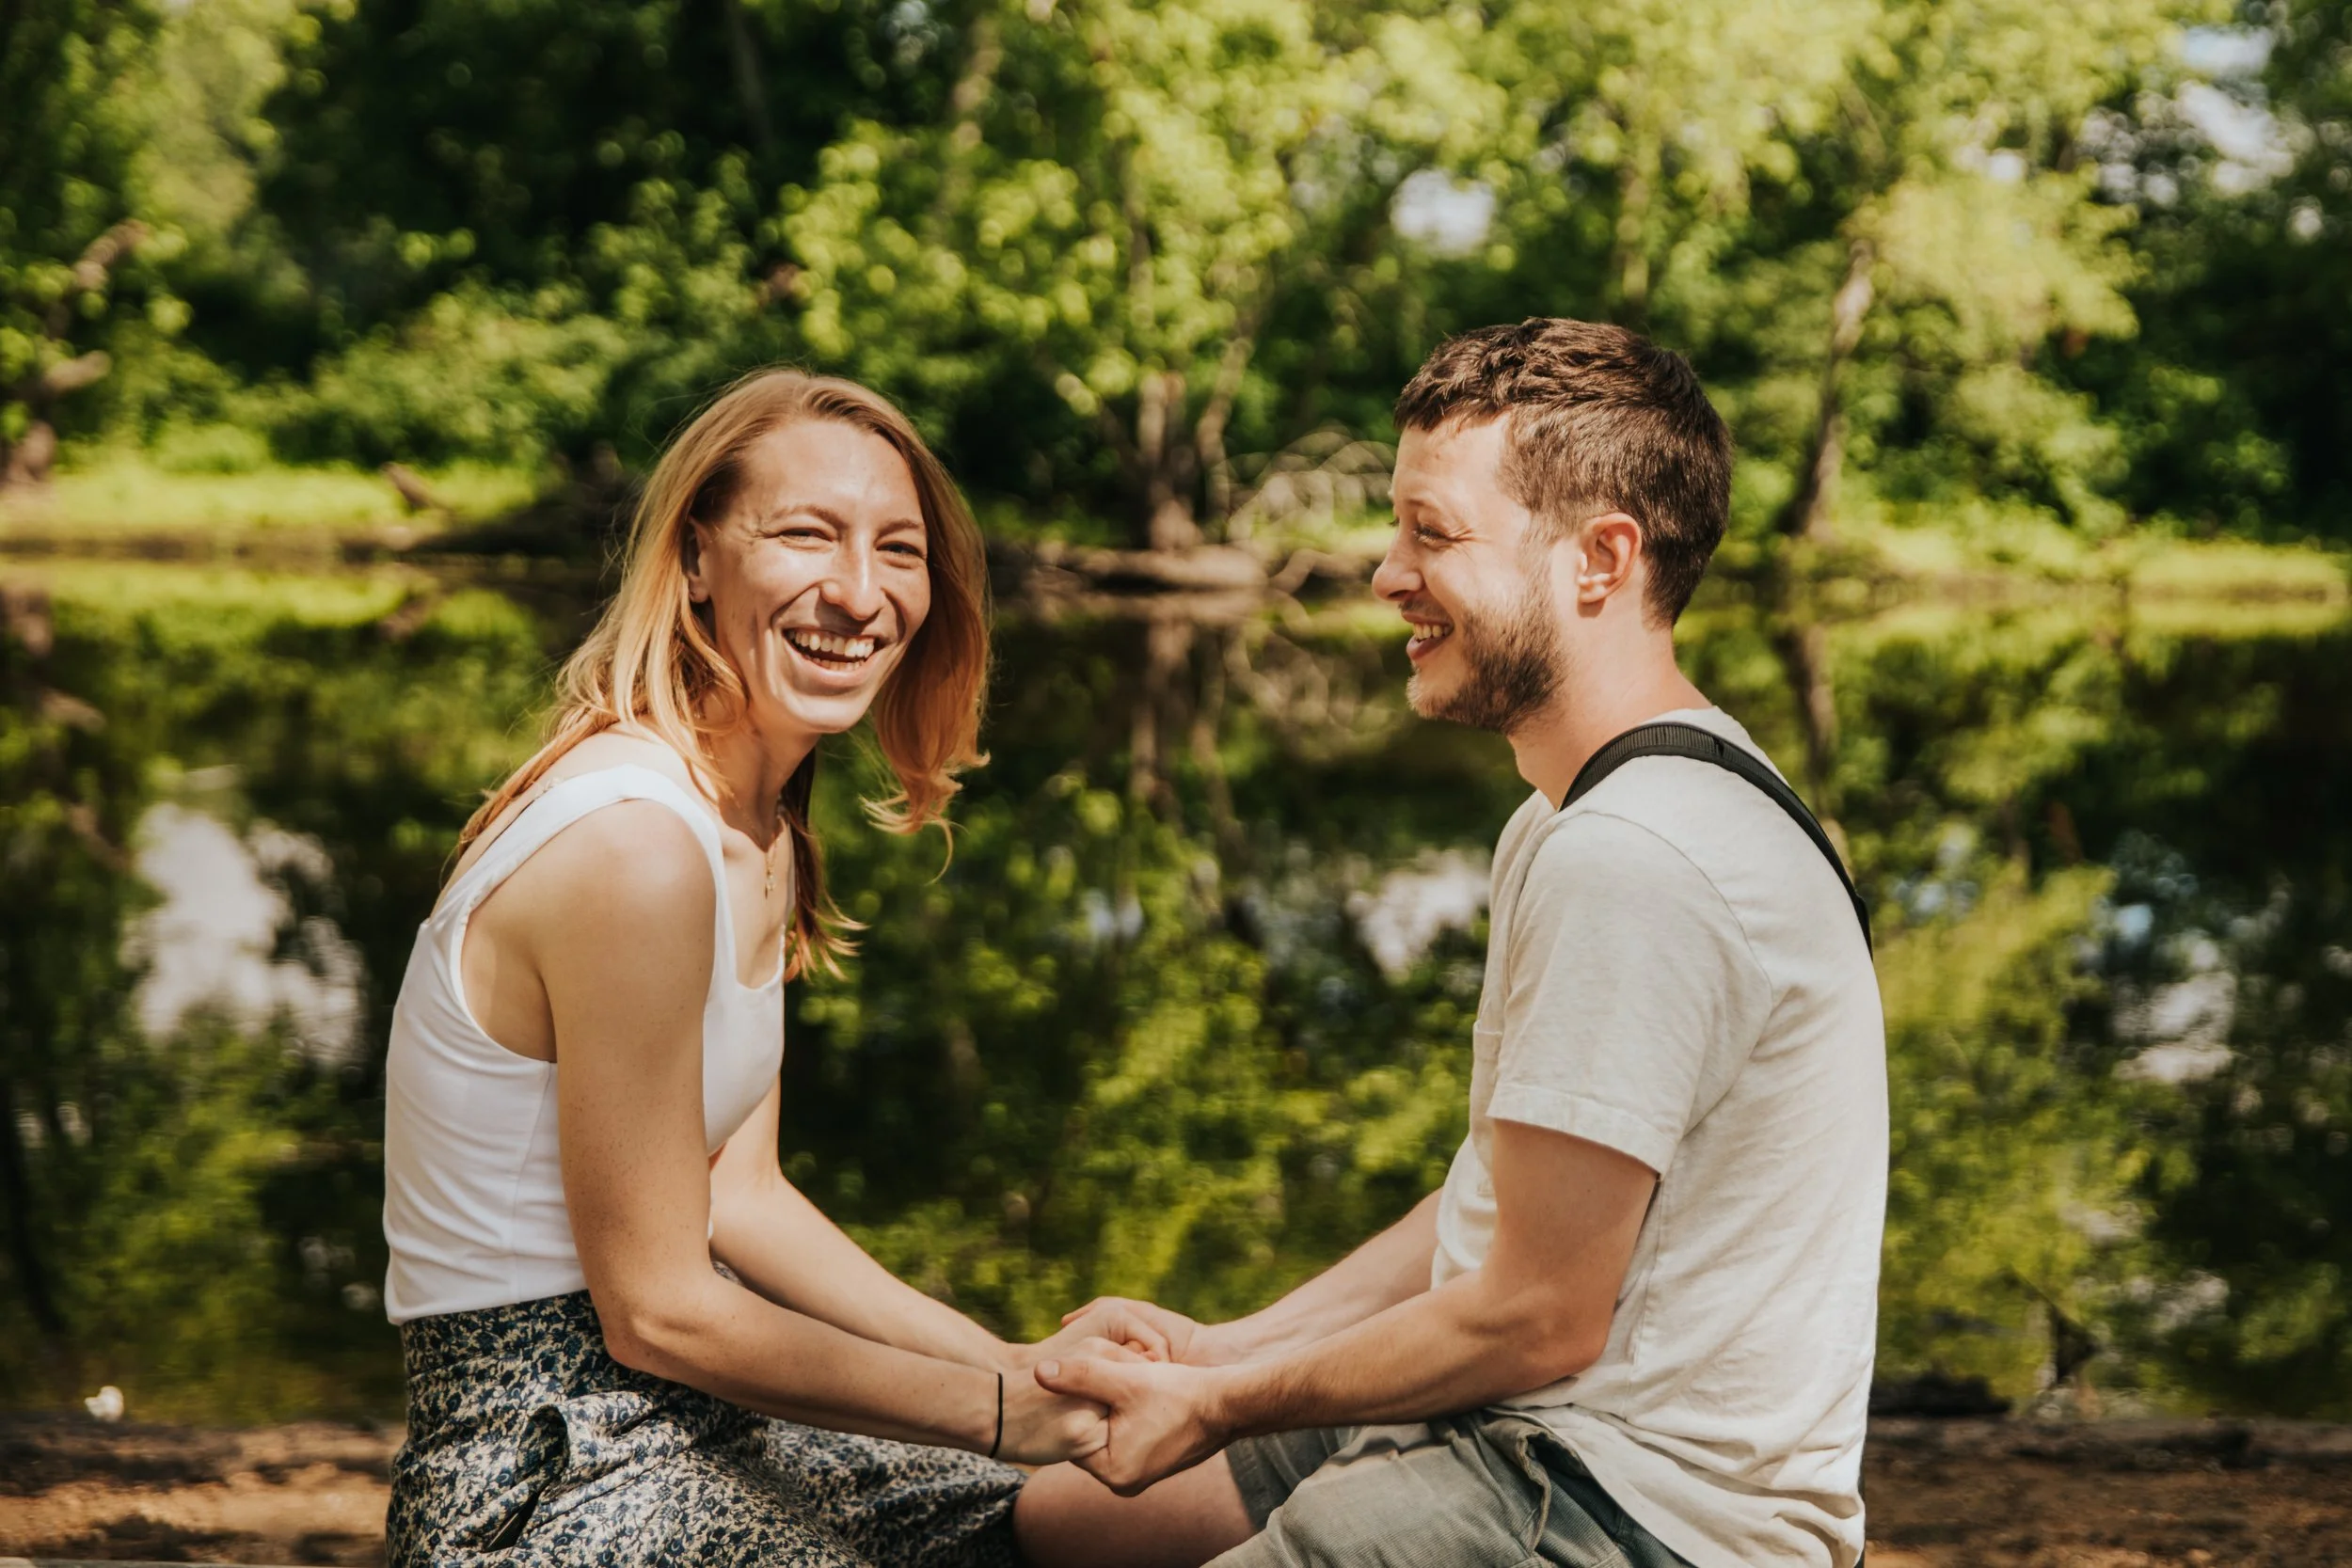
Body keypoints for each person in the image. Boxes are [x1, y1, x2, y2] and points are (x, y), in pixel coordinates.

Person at [1014, 319, 1889, 1568]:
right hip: (1520, 1421)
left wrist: (1218, 1405)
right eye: (1397, 528)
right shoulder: (1578, 809)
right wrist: (1224, 1348)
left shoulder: (1636, 853)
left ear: (1601, 558)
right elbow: (1500, 1204)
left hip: (1627, 1505)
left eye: (1433, 533)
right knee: (1065, 1523)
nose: (1386, 574)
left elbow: (1536, 1316)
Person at [378, 370, 1155, 1567]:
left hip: (704, 1415)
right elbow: (658, 1307)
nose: (858, 591)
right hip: (545, 1471)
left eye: (898, 549)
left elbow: (742, 1196)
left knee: (1152, 1512)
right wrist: (1001, 1415)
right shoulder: (636, 845)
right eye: (806, 534)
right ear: (696, 555)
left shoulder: (755, 826)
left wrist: (1009, 1363)